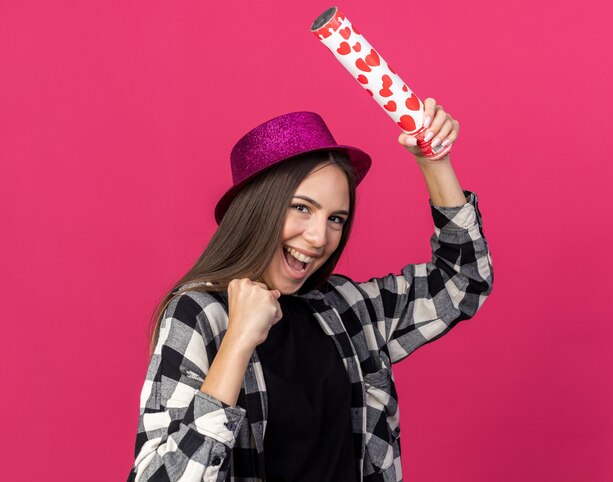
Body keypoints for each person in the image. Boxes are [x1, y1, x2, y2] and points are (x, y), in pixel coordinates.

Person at [127, 100, 494, 482]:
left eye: (336, 218)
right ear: (257, 210)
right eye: (302, 208)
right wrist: (237, 342)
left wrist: (433, 163)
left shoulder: (347, 309)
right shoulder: (199, 315)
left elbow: (463, 281)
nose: (320, 238)